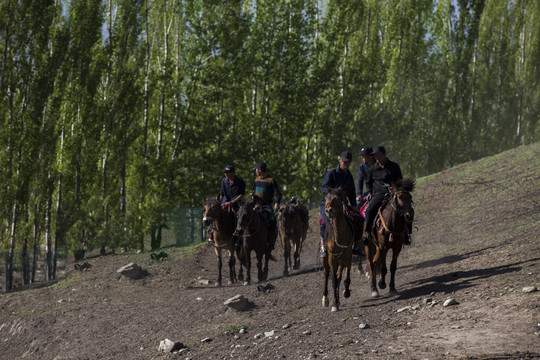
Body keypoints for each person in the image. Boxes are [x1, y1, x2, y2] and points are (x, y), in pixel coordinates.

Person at [362, 145, 411, 245]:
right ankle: (367, 233)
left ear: (384, 154)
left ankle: (406, 234)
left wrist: (395, 188)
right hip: (379, 194)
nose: (377, 158)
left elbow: (400, 181)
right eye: (375, 156)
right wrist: (370, 192)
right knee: (370, 210)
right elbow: (368, 182)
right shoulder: (372, 169)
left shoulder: (394, 166)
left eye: (378, 155)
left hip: (394, 194)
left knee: (408, 209)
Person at [319, 151, 358, 257]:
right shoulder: (332, 173)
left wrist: (354, 204)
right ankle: (323, 245)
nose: (346, 164)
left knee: (357, 219)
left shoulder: (349, 176)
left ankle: (356, 244)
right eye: (344, 161)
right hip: (328, 203)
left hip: (342, 204)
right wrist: (333, 194)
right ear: (339, 160)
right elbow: (324, 187)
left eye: (348, 162)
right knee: (323, 222)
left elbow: (352, 192)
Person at [208, 165, 246, 243]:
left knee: (238, 216)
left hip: (235, 204)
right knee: (215, 213)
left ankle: (239, 235)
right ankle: (212, 233)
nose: (226, 174)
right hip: (224, 203)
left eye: (227, 173)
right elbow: (222, 194)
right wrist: (219, 203)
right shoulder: (224, 181)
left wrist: (232, 202)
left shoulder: (240, 182)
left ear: (232, 173)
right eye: (225, 173)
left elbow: (241, 194)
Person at [250, 162, 282, 251]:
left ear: (259, 170)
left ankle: (271, 242)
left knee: (272, 221)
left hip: (266, 205)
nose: (255, 171)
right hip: (256, 204)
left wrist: (276, 203)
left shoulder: (271, 180)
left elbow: (278, 194)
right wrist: (252, 194)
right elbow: (253, 190)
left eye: (256, 169)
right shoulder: (256, 180)